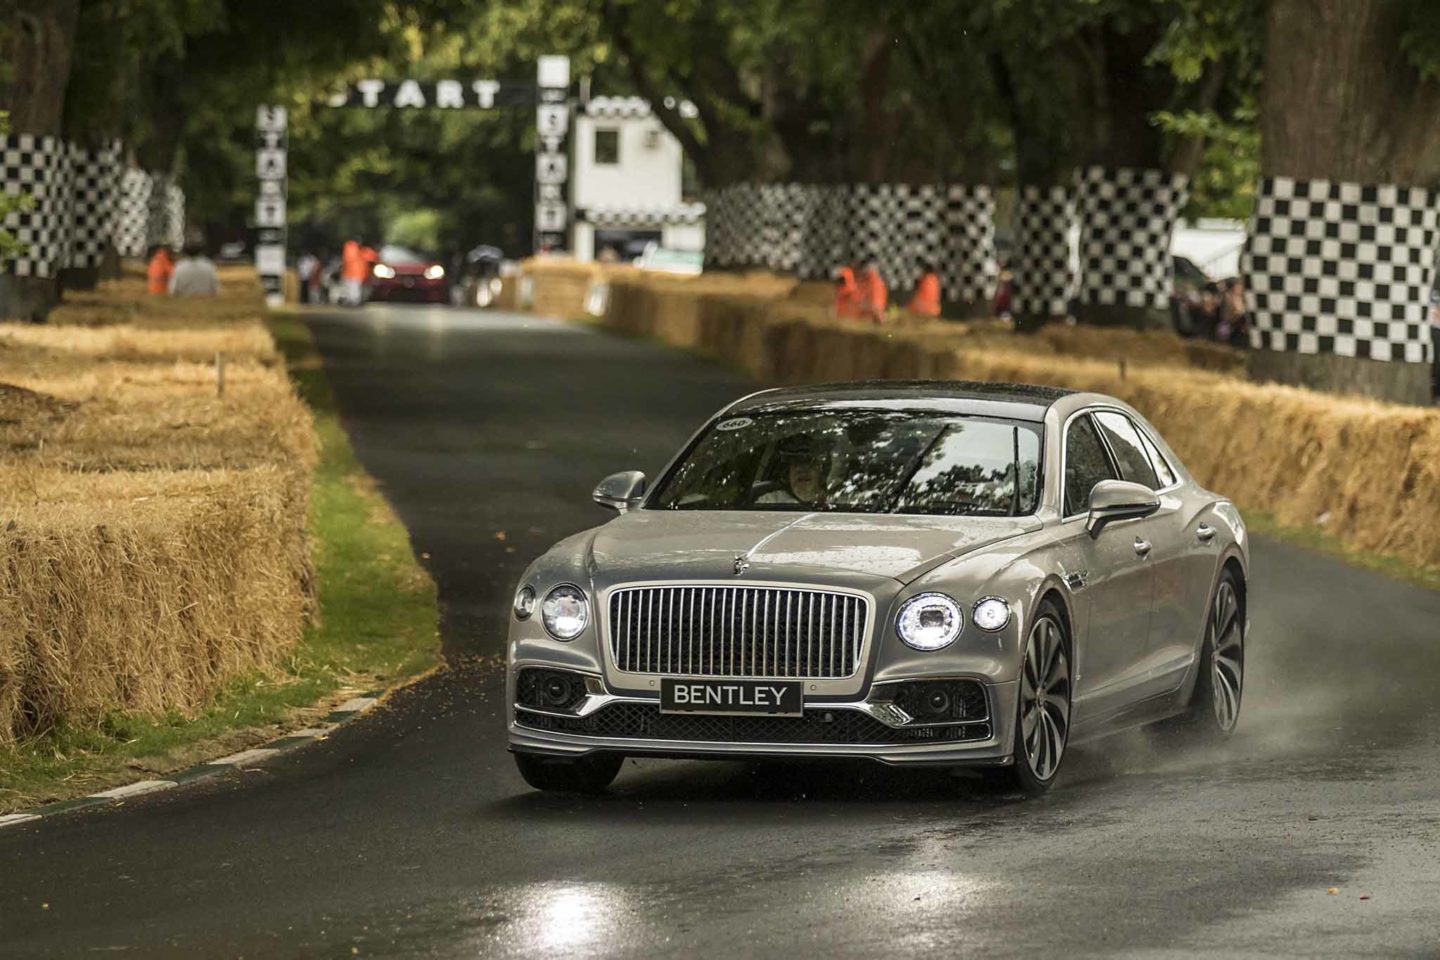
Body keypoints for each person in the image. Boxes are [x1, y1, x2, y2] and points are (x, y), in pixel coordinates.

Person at [856, 258, 888, 323]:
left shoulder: (875, 284)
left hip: (868, 322)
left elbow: (876, 309)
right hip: (860, 321)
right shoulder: (863, 282)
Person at [341, 239, 369, 306]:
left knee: (351, 287)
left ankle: (352, 300)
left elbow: (346, 260)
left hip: (351, 273)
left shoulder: (350, 248)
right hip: (355, 273)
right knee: (354, 287)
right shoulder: (358, 250)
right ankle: (354, 300)